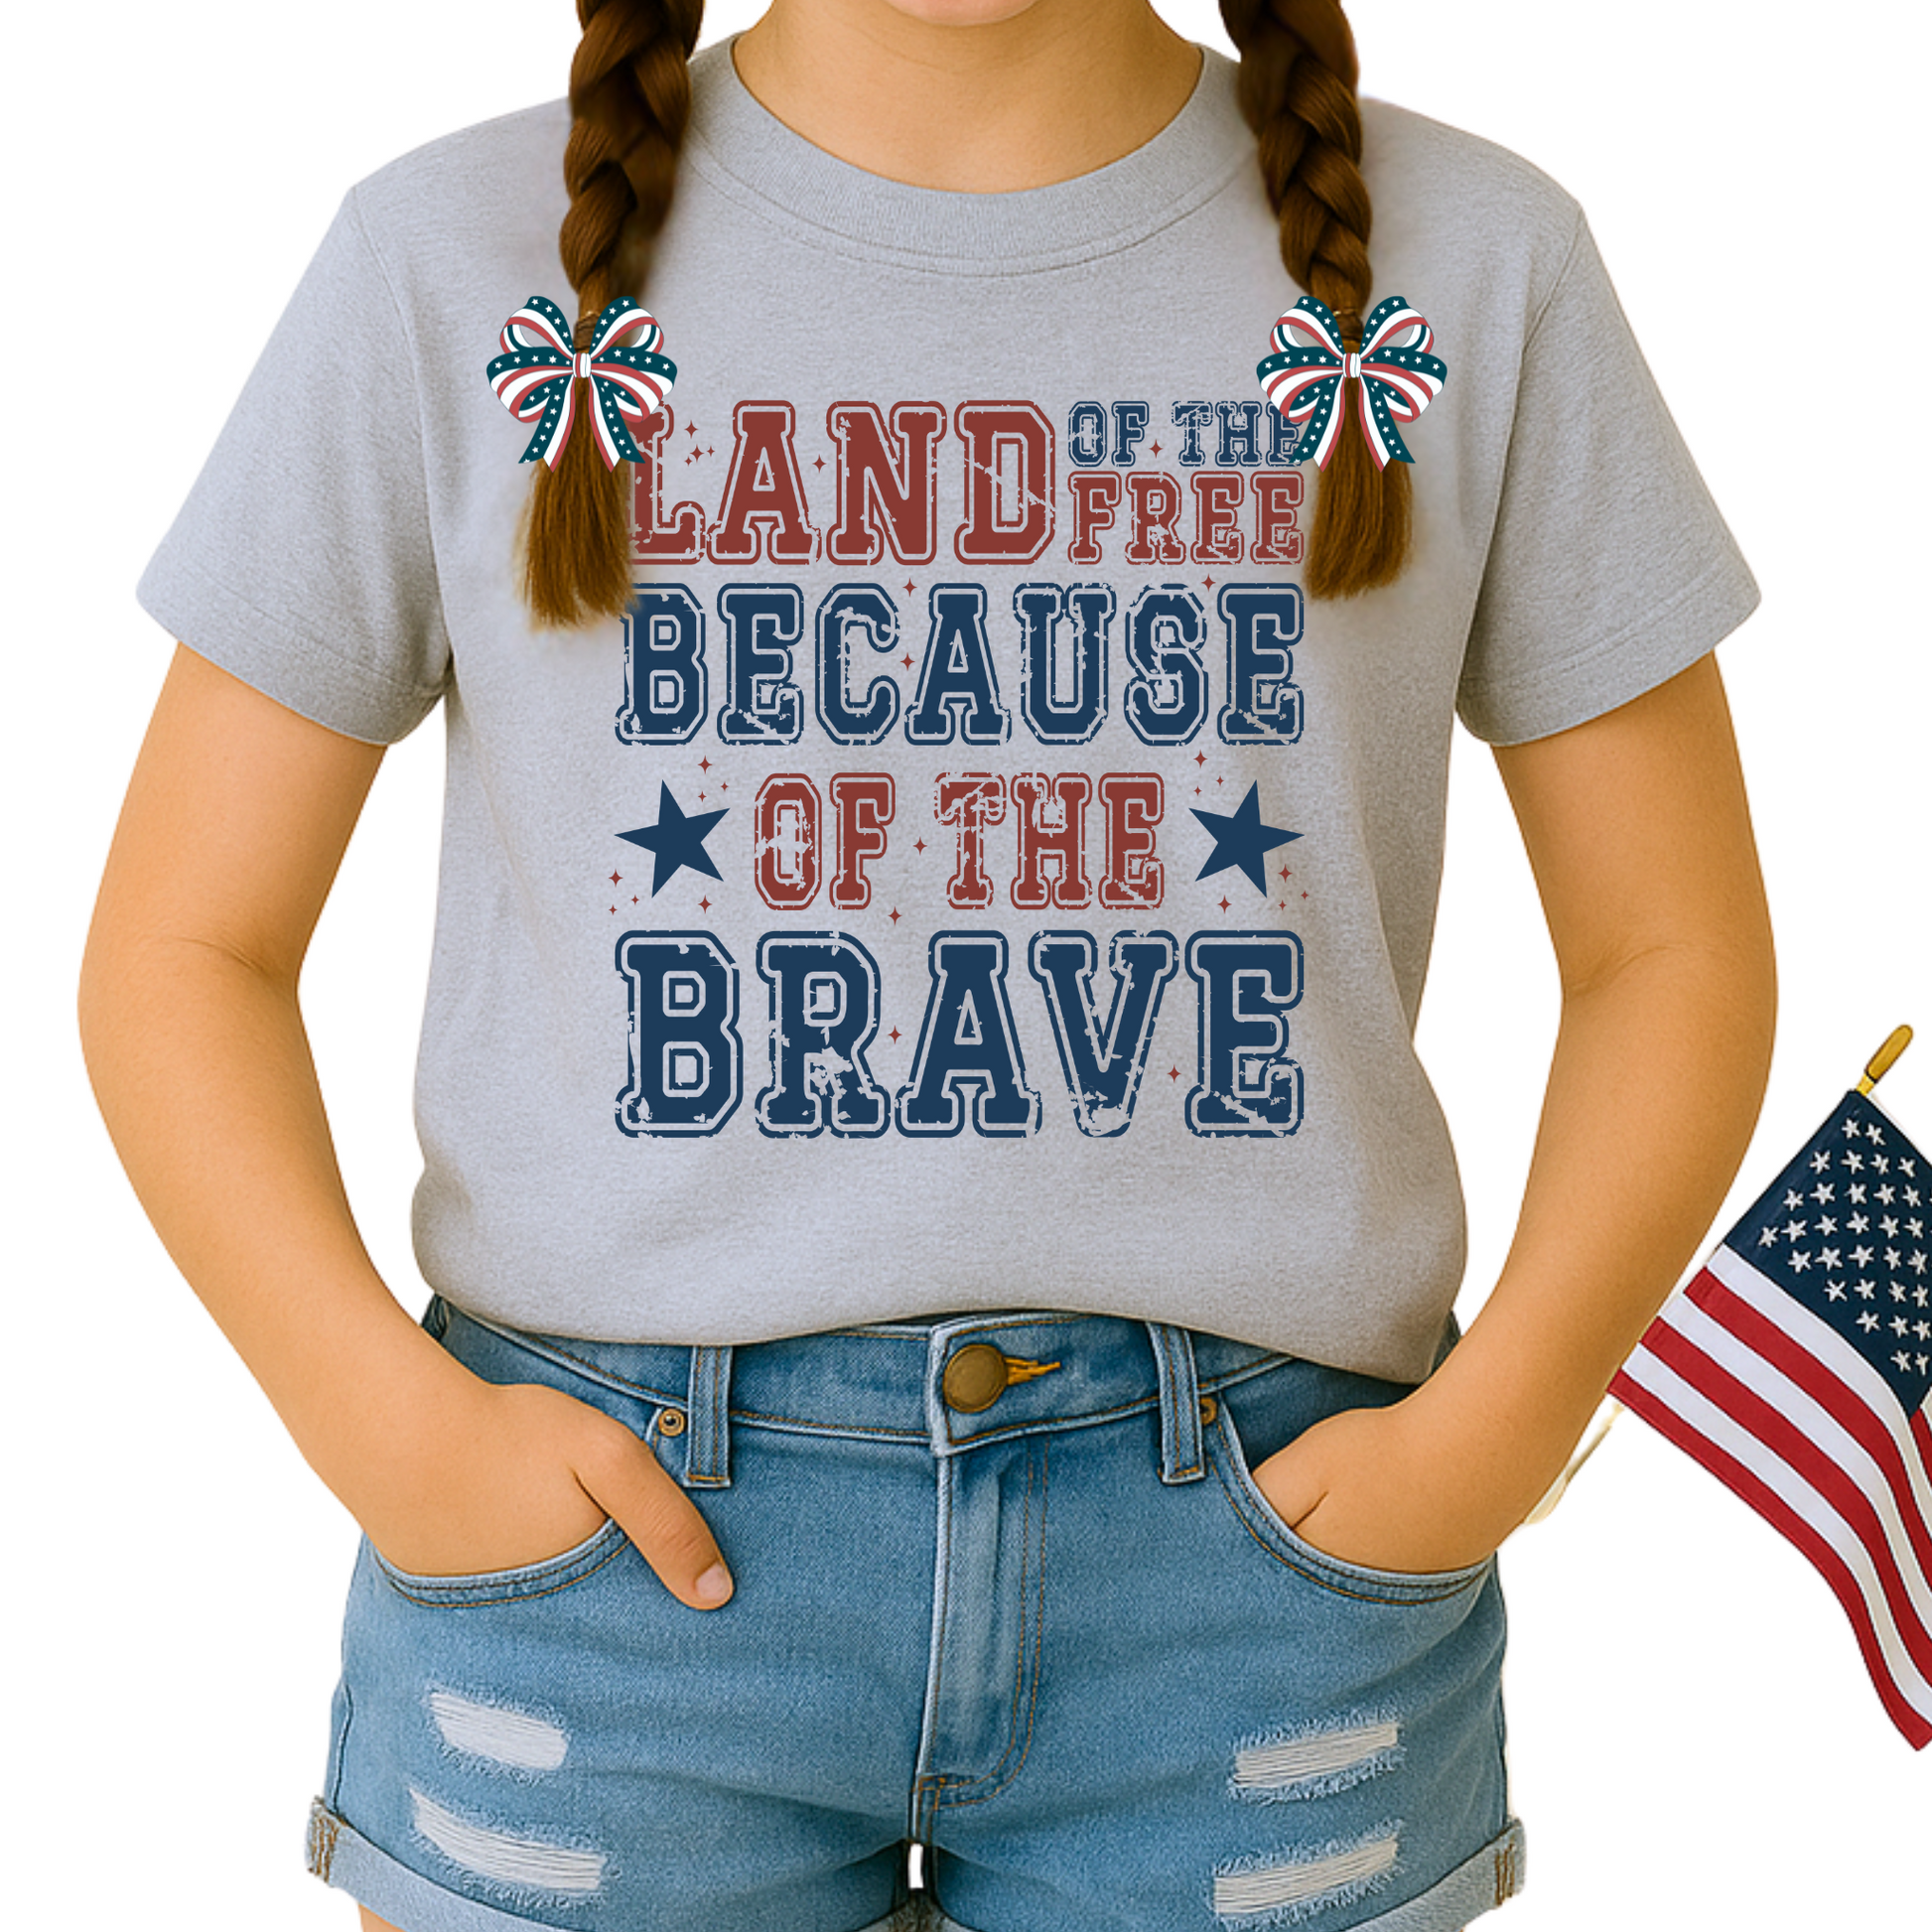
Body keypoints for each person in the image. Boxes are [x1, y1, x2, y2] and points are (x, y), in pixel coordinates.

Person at [77, 0, 1777, 1928]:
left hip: (1255, 1575)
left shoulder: (1476, 264)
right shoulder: (448, 261)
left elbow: (1670, 945)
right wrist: (384, 1426)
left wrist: (1499, 1430)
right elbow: (180, 942)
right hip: (609, 1576)